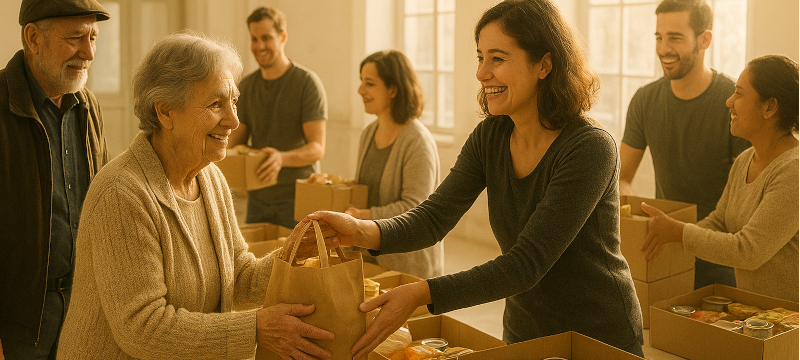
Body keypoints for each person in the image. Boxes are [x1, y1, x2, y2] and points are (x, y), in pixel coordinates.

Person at [295, 0, 644, 358]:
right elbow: (433, 218)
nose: (481, 73)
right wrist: (361, 230)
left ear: (544, 64)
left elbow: (526, 264)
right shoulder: (490, 137)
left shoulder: (590, 148)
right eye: (480, 57)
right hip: (526, 329)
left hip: (598, 334)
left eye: (498, 58)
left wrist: (422, 293)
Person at [55, 32, 335, 360]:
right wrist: (257, 328)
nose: (233, 121)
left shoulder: (210, 177)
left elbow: (239, 278)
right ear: (165, 112)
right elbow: (143, 328)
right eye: (216, 104)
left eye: (234, 101)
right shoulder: (122, 194)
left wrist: (293, 253)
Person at [0, 0, 110, 358]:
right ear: (33, 38)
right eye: (76, 37)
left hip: (82, 312)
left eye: (93, 37)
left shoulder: (88, 106)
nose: (89, 52)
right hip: (17, 324)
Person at [641, 55, 799, 302]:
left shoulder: (794, 171)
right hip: (756, 316)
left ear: (770, 107)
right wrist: (667, 234)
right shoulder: (745, 159)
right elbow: (720, 221)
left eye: (739, 93)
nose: (729, 101)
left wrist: (680, 233)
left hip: (789, 326)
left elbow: (748, 251)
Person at [620, 0, 751, 290]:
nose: (663, 48)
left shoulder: (733, 102)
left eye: (675, 38)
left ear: (704, 40)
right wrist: (632, 217)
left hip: (720, 260)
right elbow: (622, 177)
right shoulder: (644, 100)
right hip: (663, 252)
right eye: (659, 37)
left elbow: (750, 197)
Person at [344, 50, 444, 279]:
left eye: (369, 83)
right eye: (361, 81)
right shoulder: (368, 133)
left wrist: (364, 215)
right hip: (370, 256)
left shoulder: (417, 140)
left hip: (407, 265)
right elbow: (368, 188)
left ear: (393, 89)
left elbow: (416, 208)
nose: (361, 90)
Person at [229, 6, 328, 229]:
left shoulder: (306, 83)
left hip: (297, 199)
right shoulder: (246, 86)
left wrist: (281, 158)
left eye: (266, 38)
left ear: (283, 37)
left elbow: (317, 148)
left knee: (297, 263)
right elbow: (235, 143)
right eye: (254, 39)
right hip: (257, 199)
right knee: (256, 262)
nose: (259, 46)